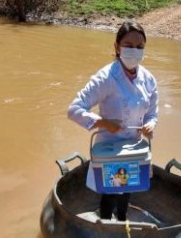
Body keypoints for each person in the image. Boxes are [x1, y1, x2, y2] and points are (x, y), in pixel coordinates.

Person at [67, 20, 159, 221]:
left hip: (133, 148)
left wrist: (150, 124)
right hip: (110, 151)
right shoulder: (106, 78)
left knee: (127, 189)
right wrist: (104, 123)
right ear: (117, 46)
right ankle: (107, 224)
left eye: (139, 47)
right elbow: (74, 109)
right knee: (110, 193)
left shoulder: (149, 79)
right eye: (128, 45)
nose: (134, 51)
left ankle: (122, 220)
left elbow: (152, 112)